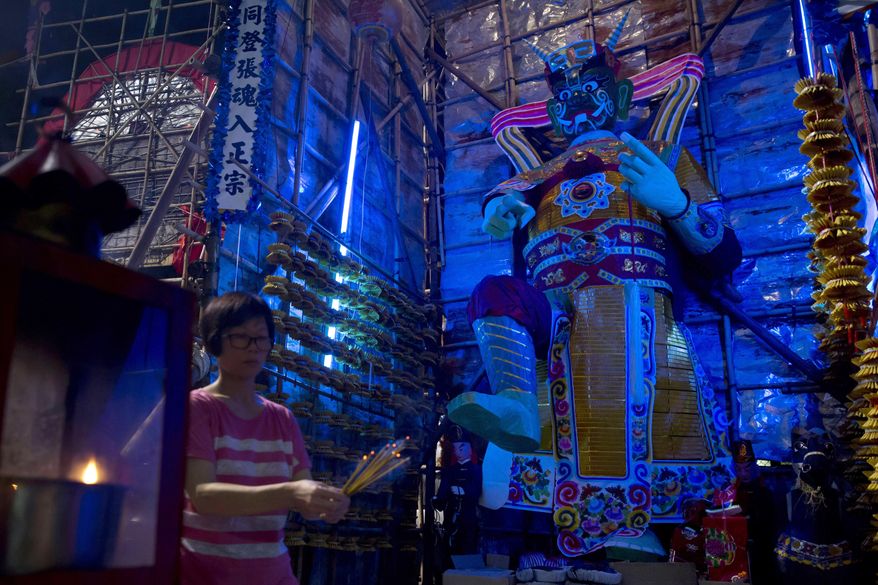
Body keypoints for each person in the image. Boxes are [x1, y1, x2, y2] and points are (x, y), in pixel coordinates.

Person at [447, 17, 742, 556]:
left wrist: (674, 201)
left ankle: (638, 544)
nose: (578, 104)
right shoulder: (534, 177)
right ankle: (513, 403)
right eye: (565, 97)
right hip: (557, 320)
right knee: (492, 291)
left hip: (639, 319)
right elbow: (506, 221)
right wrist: (500, 207)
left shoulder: (665, 157)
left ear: (623, 93)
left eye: (592, 90)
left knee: (636, 435)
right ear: (552, 110)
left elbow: (723, 252)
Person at [181, 292, 349, 585]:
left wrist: (326, 504)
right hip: (203, 575)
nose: (253, 348)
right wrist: (291, 493)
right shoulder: (198, 408)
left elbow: (303, 494)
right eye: (240, 337)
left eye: (261, 338)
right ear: (215, 341)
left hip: (273, 574)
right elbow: (204, 496)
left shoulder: (282, 419)